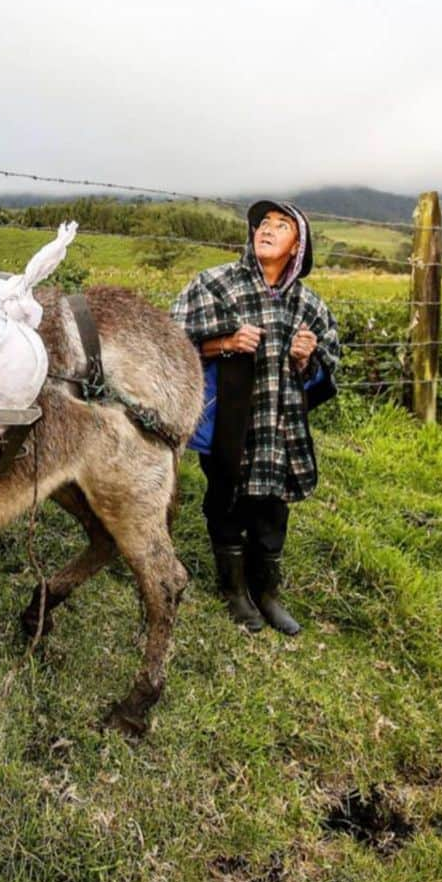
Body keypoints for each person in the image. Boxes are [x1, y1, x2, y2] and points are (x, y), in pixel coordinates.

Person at [171, 201, 340, 636]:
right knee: (226, 498)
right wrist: (223, 342)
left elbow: (327, 364)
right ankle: (234, 592)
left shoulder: (309, 305)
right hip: (228, 419)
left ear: (297, 247)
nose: (266, 229)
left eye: (281, 226)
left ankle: (268, 595)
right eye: (263, 222)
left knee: (272, 510)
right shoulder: (214, 285)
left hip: (280, 425)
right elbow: (174, 342)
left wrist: (307, 358)